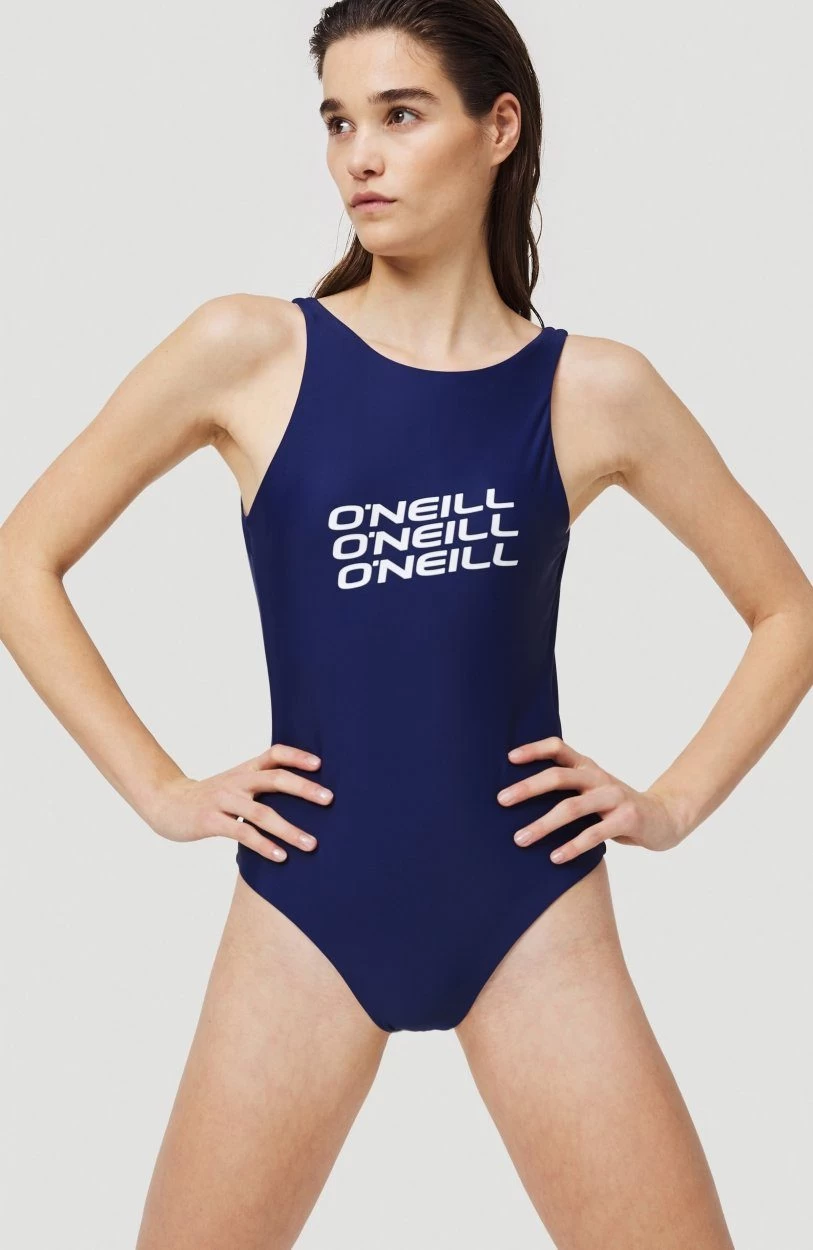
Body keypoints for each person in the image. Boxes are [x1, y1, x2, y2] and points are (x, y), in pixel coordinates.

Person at [1, 1, 811, 1247]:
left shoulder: (595, 388)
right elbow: (24, 557)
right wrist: (159, 788)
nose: (360, 156)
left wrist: (675, 802)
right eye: (337, 121)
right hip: (307, 903)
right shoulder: (250, 349)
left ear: (499, 127)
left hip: (532, 906)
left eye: (400, 114)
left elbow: (785, 609)